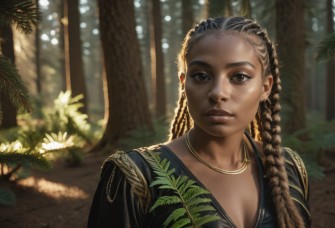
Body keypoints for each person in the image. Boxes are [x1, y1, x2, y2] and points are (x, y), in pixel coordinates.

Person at [88, 17, 310, 228]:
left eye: (239, 76)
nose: (218, 93)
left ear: (265, 87)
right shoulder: (136, 177)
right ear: (184, 83)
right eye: (202, 76)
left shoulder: (288, 168)